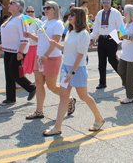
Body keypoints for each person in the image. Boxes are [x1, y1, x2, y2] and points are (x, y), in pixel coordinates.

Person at [43, 7, 104, 135]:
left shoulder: (83, 34)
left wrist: (72, 72)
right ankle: (57, 127)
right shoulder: (70, 31)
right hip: (66, 67)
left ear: (79, 17)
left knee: (83, 96)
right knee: (64, 97)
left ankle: (99, 118)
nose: (69, 16)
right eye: (69, 14)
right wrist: (55, 44)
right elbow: (66, 49)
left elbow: (80, 55)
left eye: (72, 14)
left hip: (77, 69)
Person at [24, 0, 73, 119]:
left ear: (55, 10)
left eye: (48, 7)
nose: (45, 9)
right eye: (44, 7)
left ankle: (70, 100)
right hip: (39, 56)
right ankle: (39, 111)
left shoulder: (58, 23)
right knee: (39, 85)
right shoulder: (44, 22)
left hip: (51, 57)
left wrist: (46, 55)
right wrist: (31, 36)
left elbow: (54, 43)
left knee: (51, 86)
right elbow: (42, 40)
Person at [0, 0, 37, 106]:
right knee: (8, 74)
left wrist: (20, 52)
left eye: (12, 3)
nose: (9, 5)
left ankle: (31, 87)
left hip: (17, 51)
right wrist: (0, 48)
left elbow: (24, 37)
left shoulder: (21, 19)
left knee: (14, 73)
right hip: (8, 50)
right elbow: (9, 35)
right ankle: (10, 98)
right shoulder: (11, 18)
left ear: (18, 6)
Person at [90, 0, 125, 89]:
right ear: (101, 3)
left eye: (107, 2)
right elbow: (96, 28)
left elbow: (121, 26)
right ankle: (102, 82)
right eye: (104, 2)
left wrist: (120, 37)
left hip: (111, 38)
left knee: (112, 60)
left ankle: (125, 78)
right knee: (101, 61)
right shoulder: (99, 13)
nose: (106, 4)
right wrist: (92, 38)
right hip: (102, 38)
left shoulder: (116, 13)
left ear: (110, 2)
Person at [23, 6, 39, 75]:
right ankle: (22, 82)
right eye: (28, 11)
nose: (30, 13)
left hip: (35, 47)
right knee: (24, 66)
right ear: (25, 13)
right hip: (24, 47)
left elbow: (41, 38)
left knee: (36, 67)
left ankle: (37, 83)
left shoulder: (38, 22)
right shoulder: (23, 22)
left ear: (34, 13)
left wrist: (31, 36)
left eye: (32, 11)